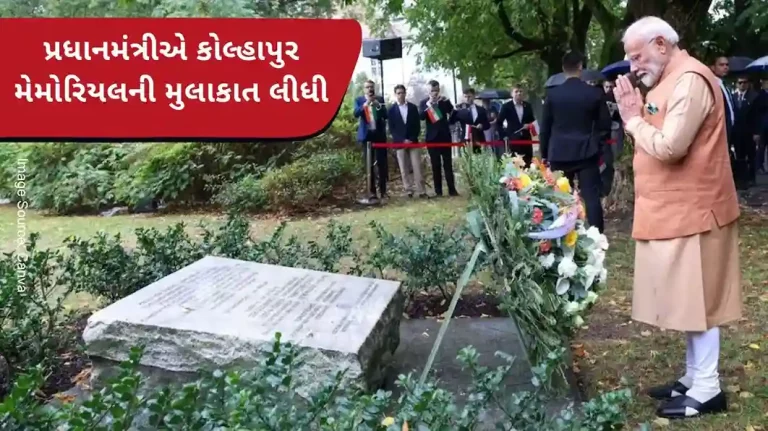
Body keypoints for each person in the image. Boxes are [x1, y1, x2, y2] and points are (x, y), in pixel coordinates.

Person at [613, 16, 741, 419]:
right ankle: (693, 377)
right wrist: (636, 112)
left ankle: (708, 389)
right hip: (676, 210)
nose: (633, 66)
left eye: (638, 56)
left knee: (700, 301)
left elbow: (671, 146)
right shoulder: (669, 79)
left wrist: (632, 120)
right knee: (689, 301)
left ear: (661, 45)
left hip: (698, 211)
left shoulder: (691, 80)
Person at [539, 51, 611, 233]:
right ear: (580, 67)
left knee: (560, 197)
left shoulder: (553, 95)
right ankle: (597, 236)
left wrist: (545, 154)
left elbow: (545, 128)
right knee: (591, 196)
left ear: (563, 69)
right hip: (587, 151)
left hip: (559, 152)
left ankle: (562, 235)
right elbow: (605, 125)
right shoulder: (594, 93)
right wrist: (598, 144)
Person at [419, 80, 459, 197]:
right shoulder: (424, 102)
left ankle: (452, 190)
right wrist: (429, 104)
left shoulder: (444, 101)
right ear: (428, 91)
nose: (434, 93)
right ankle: (438, 191)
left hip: (445, 137)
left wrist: (451, 114)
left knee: (448, 165)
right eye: (432, 91)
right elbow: (421, 117)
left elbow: (453, 114)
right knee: (435, 165)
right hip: (432, 138)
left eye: (436, 90)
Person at [388, 84, 426, 198]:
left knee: (417, 167)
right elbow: (392, 128)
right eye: (398, 93)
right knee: (403, 168)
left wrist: (411, 139)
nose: (400, 95)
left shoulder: (413, 108)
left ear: (405, 93)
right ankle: (408, 190)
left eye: (402, 92)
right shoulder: (391, 110)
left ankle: (421, 191)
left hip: (413, 141)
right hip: (399, 143)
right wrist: (402, 140)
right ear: (395, 94)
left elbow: (417, 126)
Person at [353, 80, 389, 201]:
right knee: (369, 165)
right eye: (367, 87)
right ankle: (372, 192)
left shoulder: (380, 99)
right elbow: (356, 113)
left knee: (382, 163)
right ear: (364, 89)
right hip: (366, 137)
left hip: (379, 136)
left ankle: (383, 191)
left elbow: (385, 115)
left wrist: (378, 104)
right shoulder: (359, 100)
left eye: (371, 87)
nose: (370, 89)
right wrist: (366, 104)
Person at [732, 77, 762, 187]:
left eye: (745, 82)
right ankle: (741, 178)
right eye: (740, 82)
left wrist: (757, 132)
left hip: (750, 131)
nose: (742, 85)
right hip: (737, 132)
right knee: (739, 155)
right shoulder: (733, 97)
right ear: (736, 84)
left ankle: (752, 178)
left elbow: (757, 116)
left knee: (751, 155)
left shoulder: (754, 97)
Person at [497, 84, 536, 165]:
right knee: (514, 164)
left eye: (520, 91)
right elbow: (499, 122)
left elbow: (532, 121)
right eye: (516, 91)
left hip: (526, 139)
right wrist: (504, 136)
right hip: (512, 139)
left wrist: (529, 125)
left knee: (527, 163)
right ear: (512, 94)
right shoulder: (506, 106)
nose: (519, 93)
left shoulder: (527, 106)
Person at [709, 56, 737, 168]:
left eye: (727, 65)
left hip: (730, 129)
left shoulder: (724, 84)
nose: (725, 67)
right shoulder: (713, 85)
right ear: (713, 67)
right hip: (720, 129)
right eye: (721, 65)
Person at [455, 88, 490, 154]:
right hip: (465, 140)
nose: (467, 99)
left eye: (469, 96)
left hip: (479, 139)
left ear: (474, 96)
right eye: (465, 97)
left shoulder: (481, 109)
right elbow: (451, 121)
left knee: (480, 160)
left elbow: (487, 125)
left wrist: (482, 125)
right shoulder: (459, 110)